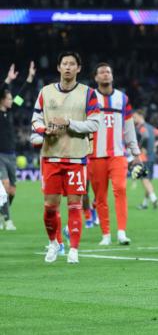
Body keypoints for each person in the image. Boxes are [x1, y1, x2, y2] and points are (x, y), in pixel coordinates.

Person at [31, 51, 101, 264]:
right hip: (51, 156)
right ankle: (54, 243)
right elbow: (35, 120)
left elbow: (94, 124)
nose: (68, 67)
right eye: (65, 64)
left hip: (76, 157)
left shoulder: (88, 93)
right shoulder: (45, 92)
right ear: (59, 67)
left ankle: (74, 250)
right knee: (50, 207)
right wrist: (45, 131)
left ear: (78, 68)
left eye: (72, 64)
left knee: (74, 205)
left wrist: (68, 123)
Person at [89, 63, 142, 246]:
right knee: (100, 197)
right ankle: (105, 234)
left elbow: (129, 128)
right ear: (96, 77)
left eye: (108, 72)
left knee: (120, 189)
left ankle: (121, 232)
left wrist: (135, 153)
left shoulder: (122, 98)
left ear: (112, 76)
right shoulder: (89, 98)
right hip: (94, 155)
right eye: (102, 72)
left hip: (117, 154)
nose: (105, 74)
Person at [0, 61, 36, 230]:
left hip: (11, 154)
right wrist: (8, 79)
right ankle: (7, 221)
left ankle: (2, 212)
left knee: (12, 191)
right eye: (8, 98)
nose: (11, 100)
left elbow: (21, 95)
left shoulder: (11, 110)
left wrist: (29, 78)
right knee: (5, 186)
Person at [133, 109, 158, 209]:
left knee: (144, 179)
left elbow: (145, 136)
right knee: (148, 181)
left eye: (135, 117)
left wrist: (140, 147)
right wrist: (156, 144)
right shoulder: (151, 128)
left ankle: (154, 199)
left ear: (140, 116)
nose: (134, 119)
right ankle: (145, 203)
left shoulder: (140, 127)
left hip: (144, 157)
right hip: (152, 157)